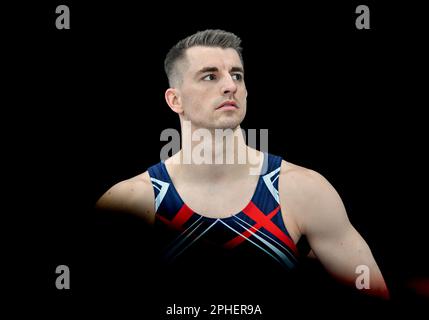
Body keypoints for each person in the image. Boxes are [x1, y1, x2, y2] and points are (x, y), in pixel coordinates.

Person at [96, 29, 389, 300]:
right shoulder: (131, 200)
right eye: (210, 76)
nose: (229, 86)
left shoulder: (302, 190)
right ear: (175, 100)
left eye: (237, 75)